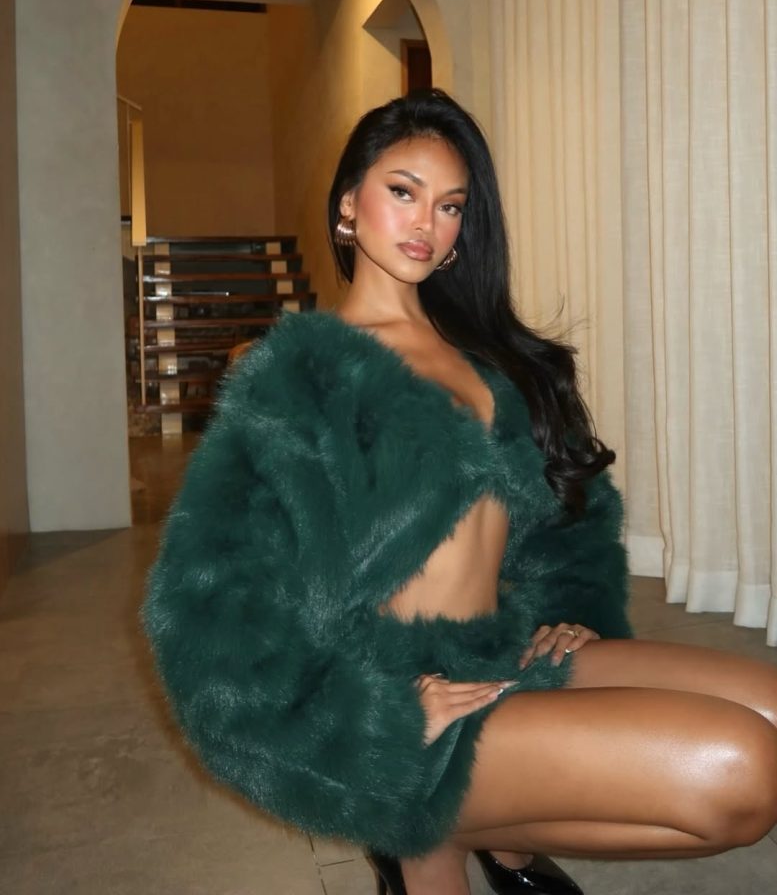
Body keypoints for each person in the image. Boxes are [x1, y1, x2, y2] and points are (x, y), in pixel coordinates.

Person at [143, 90, 777, 895]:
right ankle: (421, 821)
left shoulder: (489, 356)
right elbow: (207, 602)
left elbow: (566, 520)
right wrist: (371, 725)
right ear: (348, 205)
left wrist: (565, 609)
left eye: (449, 205)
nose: (426, 223)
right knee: (739, 771)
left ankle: (468, 836)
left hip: (507, 645)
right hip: (402, 688)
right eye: (401, 191)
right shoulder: (299, 375)